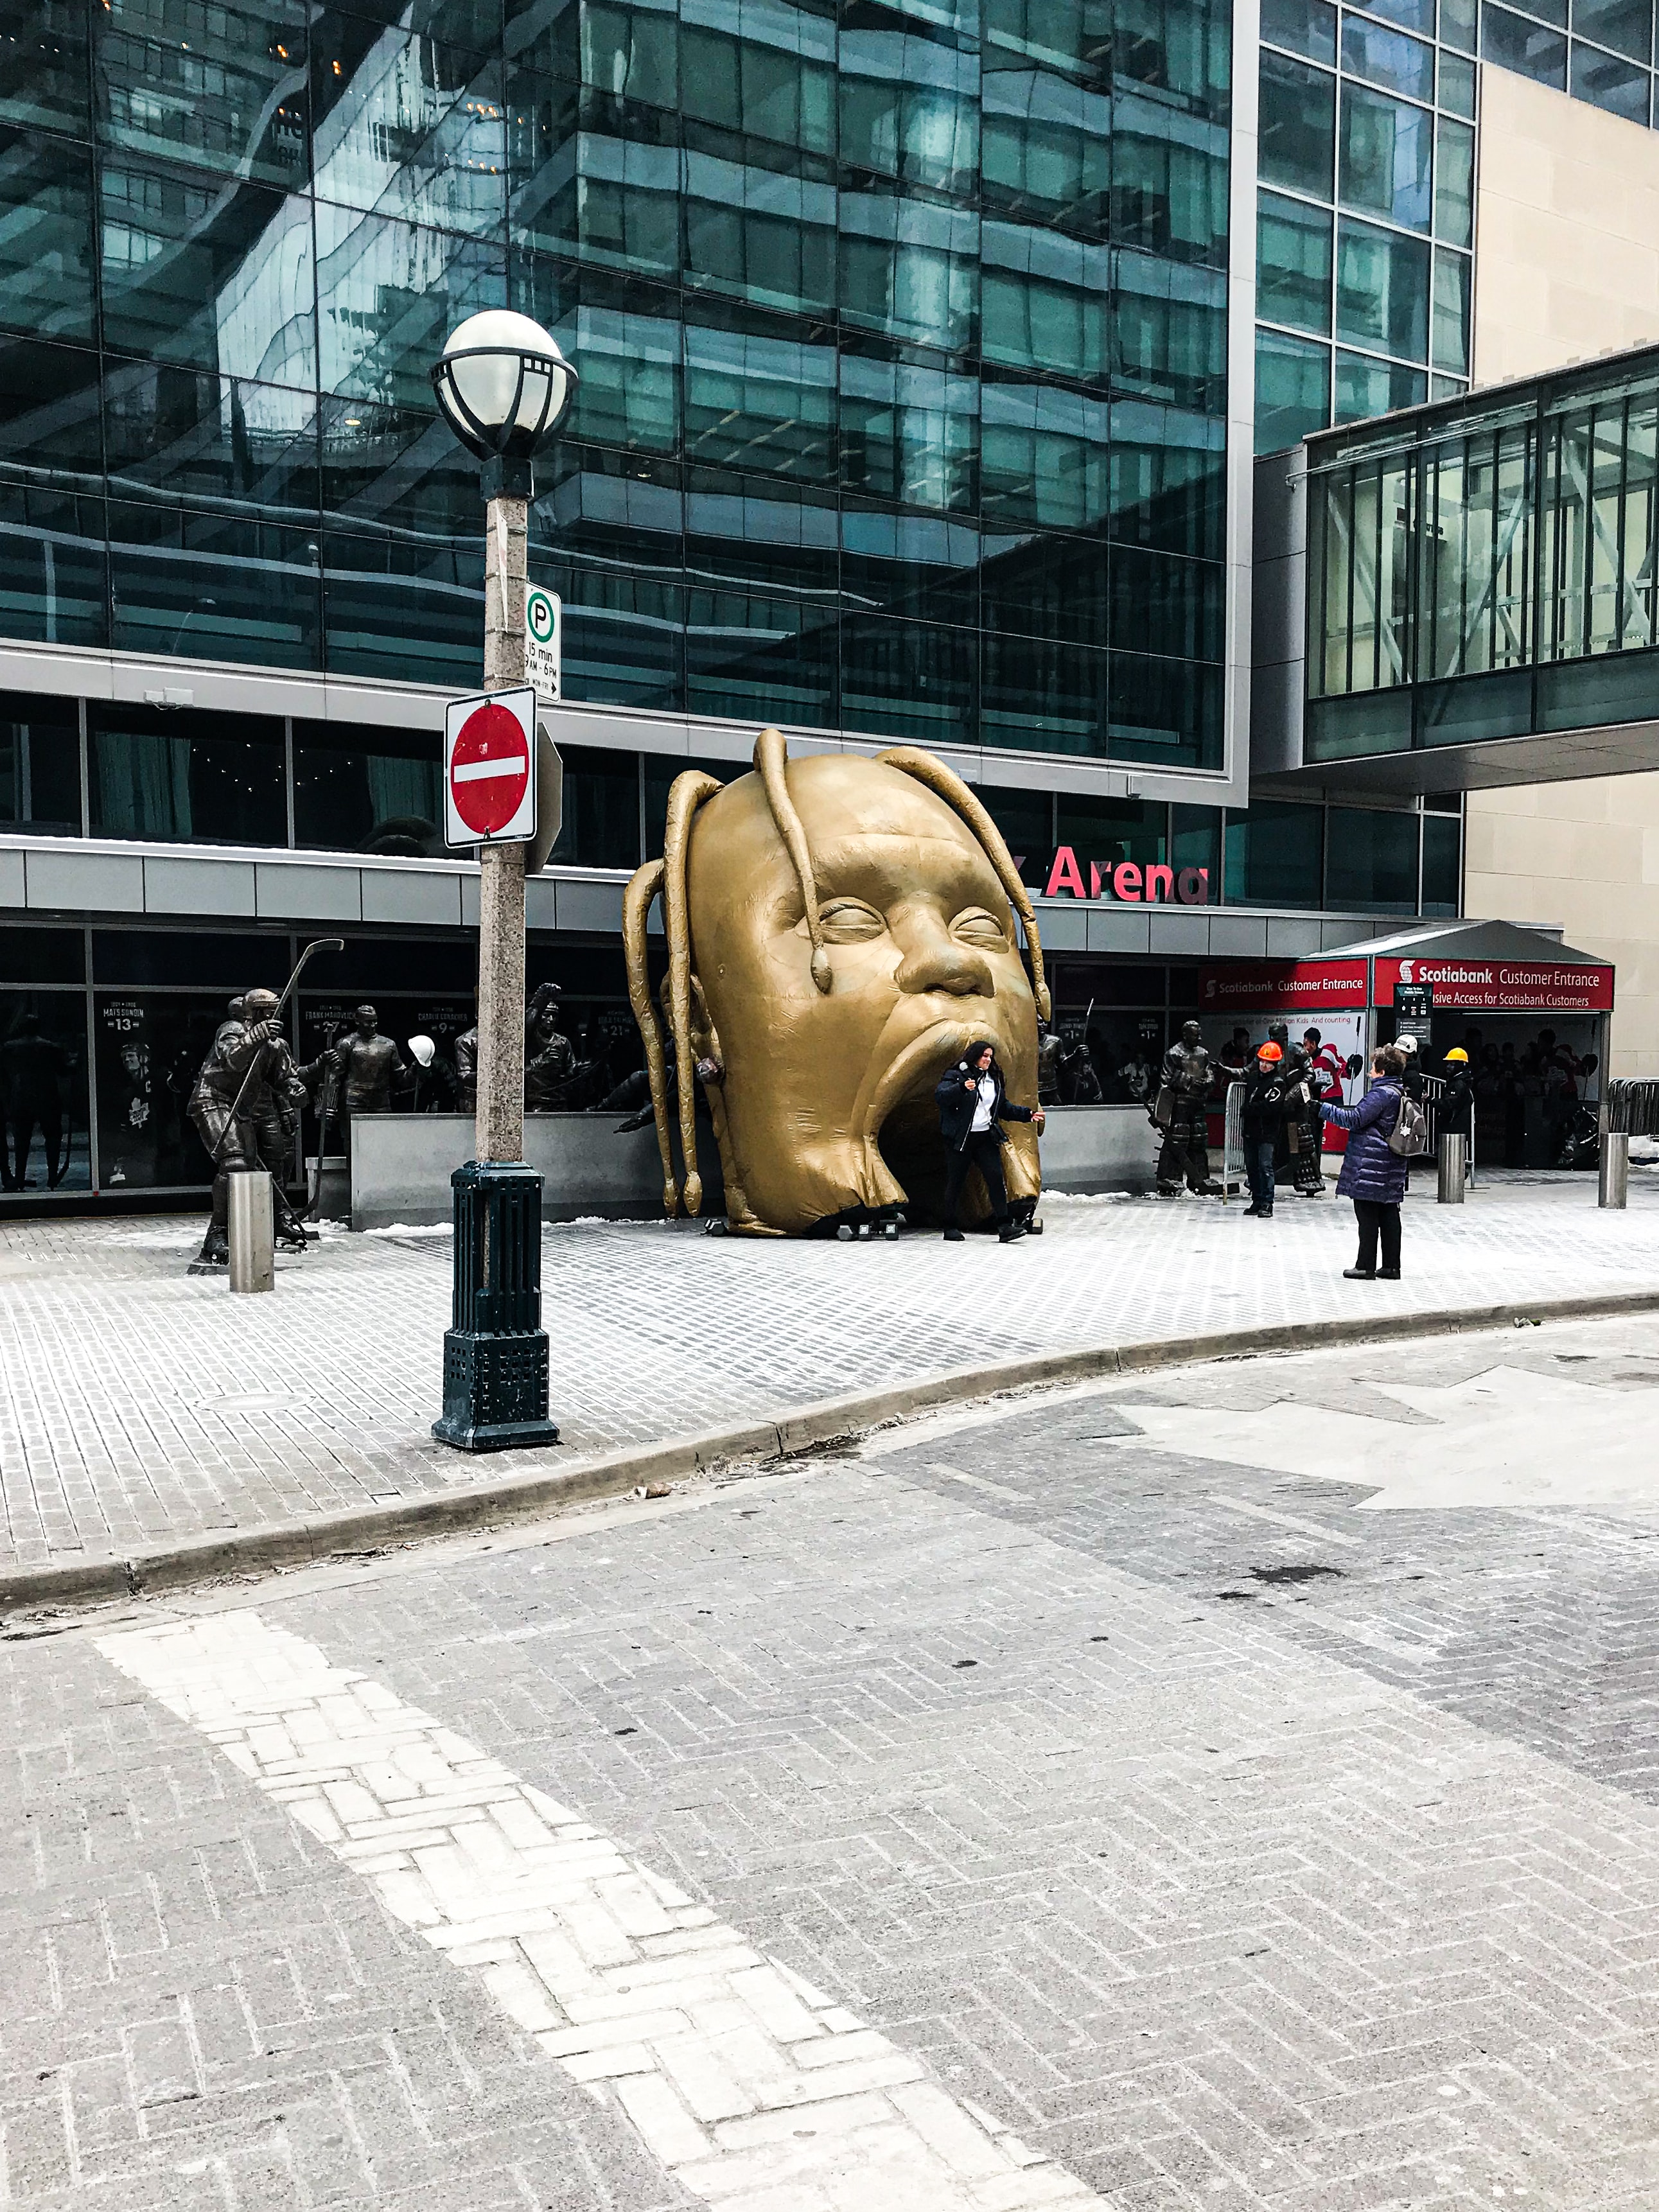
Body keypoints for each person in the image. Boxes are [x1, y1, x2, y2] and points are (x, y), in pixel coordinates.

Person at [935, 1040, 1045, 1243]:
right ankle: (949, 1226)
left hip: (985, 1137)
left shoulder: (993, 1078)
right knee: (956, 1181)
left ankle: (1004, 1227)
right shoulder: (957, 1075)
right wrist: (960, 1088)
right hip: (961, 1138)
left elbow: (1002, 1107)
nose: (988, 1060)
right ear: (974, 1055)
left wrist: (1028, 1115)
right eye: (984, 1055)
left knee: (995, 1178)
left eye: (990, 1056)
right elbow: (941, 1097)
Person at [1320, 1044, 1409, 1280]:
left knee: (1367, 1215)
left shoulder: (1381, 1094)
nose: (1369, 1072)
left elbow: (1356, 1119)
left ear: (1381, 1071)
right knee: (1389, 1213)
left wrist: (1323, 1109)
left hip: (1372, 1163)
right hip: (1391, 1162)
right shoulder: (1398, 1092)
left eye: (1372, 1067)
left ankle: (1365, 1265)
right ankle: (1391, 1266)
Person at [1154, 1020, 1219, 1195]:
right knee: (1177, 1140)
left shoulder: (1203, 1053)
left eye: (1200, 1034)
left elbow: (1210, 1075)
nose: (1199, 1038)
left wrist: (1207, 1082)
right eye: (1195, 1034)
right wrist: (1188, 1080)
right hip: (1180, 1105)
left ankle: (1200, 1177)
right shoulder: (1173, 1054)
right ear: (1185, 1035)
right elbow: (1166, 1082)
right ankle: (1170, 1178)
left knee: (1199, 1139)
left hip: (1198, 1103)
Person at [1240, 1040, 1287, 1218]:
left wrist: (1250, 1109)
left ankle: (1268, 1203)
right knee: (1252, 1167)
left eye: (1268, 1063)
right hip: (1251, 1131)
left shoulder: (1278, 1083)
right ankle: (1257, 1200)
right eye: (1262, 1062)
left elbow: (1270, 1107)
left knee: (1265, 1167)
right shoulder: (1252, 1078)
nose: (1264, 1065)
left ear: (1275, 1064)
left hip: (1267, 1132)